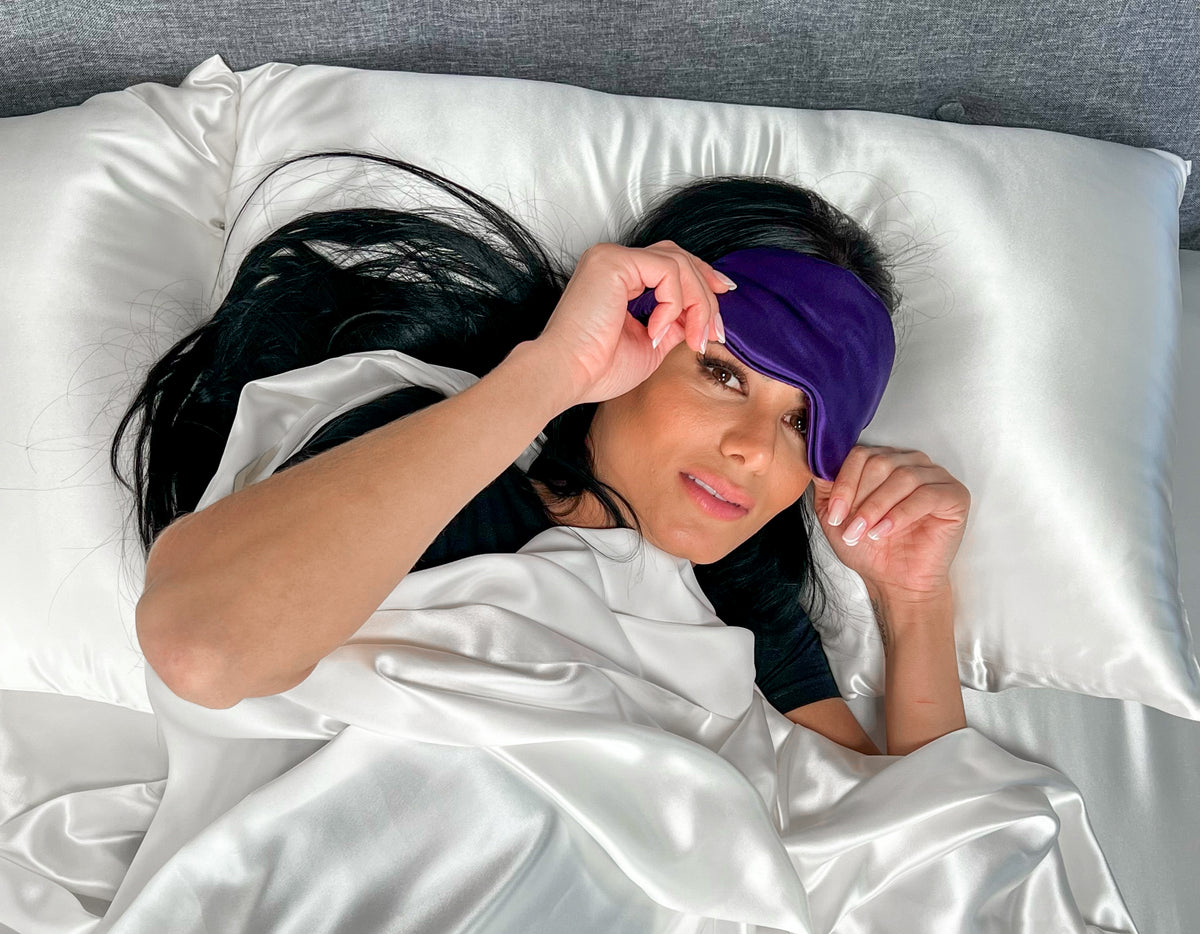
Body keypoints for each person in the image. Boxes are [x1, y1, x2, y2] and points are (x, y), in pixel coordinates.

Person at [115, 151, 970, 756]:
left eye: (799, 425)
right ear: (633, 325)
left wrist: (914, 604)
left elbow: (902, 878)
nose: (753, 451)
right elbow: (202, 645)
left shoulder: (747, 610)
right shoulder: (442, 456)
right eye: (722, 373)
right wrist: (555, 373)